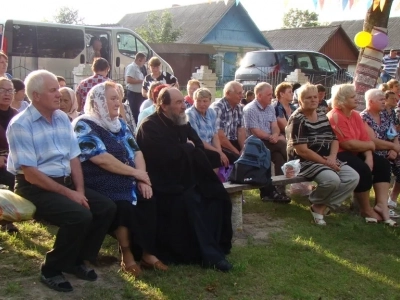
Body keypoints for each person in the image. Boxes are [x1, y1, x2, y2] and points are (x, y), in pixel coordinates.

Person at [6, 70, 117, 292]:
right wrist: (70, 195)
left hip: (64, 181)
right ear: (36, 96)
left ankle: (76, 260)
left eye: (58, 89)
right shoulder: (21, 124)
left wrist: (80, 190)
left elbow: (74, 157)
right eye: (53, 90)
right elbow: (31, 174)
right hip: (34, 186)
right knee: (79, 216)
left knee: (106, 208)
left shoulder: (62, 118)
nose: (59, 94)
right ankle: (51, 268)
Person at [73, 81, 167, 277]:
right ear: (98, 101)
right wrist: (136, 174)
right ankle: (127, 255)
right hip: (100, 180)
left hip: (129, 178)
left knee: (149, 199)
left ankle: (148, 254)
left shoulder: (120, 124)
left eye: (119, 98)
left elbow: (136, 151)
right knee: (123, 204)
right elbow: (101, 159)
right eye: (113, 99)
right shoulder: (84, 124)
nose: (119, 103)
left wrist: (142, 178)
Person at [136, 86, 233, 272]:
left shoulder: (182, 121)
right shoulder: (150, 127)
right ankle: (209, 256)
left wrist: (184, 148)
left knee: (217, 194)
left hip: (186, 176)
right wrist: (185, 148)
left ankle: (218, 245)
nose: (183, 106)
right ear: (164, 106)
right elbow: (164, 157)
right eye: (178, 103)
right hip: (163, 183)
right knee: (191, 202)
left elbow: (196, 145)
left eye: (183, 101)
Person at [286, 84, 359, 225]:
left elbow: (334, 140)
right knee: (332, 180)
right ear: (300, 101)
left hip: (327, 159)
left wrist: (332, 157)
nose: (313, 100)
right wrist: (326, 162)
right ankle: (317, 201)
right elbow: (302, 151)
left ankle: (320, 206)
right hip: (304, 162)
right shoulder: (297, 119)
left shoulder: (321, 114)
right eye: (308, 97)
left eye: (315, 97)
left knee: (352, 177)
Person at [327, 84, 394, 225]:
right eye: (352, 97)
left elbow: (366, 139)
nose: (356, 99)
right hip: (340, 153)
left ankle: (382, 204)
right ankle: (365, 209)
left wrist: (369, 157)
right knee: (362, 169)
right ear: (342, 100)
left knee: (382, 164)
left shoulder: (356, 115)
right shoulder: (335, 116)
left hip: (357, 151)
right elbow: (347, 144)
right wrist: (369, 146)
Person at [243, 82, 290, 203]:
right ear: (259, 95)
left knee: (279, 157)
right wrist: (272, 137)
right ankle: (296, 163)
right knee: (282, 144)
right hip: (255, 143)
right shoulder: (250, 109)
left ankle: (280, 191)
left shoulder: (270, 107)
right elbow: (255, 131)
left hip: (270, 141)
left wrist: (274, 135)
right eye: (269, 94)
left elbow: (275, 126)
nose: (272, 97)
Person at [360, 89, 400, 221]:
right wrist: (393, 147)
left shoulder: (385, 116)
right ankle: (382, 205)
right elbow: (372, 141)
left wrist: (394, 148)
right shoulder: (364, 117)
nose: (384, 102)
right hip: (372, 152)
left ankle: (389, 201)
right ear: (370, 102)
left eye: (384, 99)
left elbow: (394, 134)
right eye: (381, 100)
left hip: (389, 151)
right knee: (383, 164)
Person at [185, 88, 229, 170]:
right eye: (198, 101)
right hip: (197, 147)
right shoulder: (190, 114)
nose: (202, 104)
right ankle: (213, 181)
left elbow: (215, 135)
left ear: (210, 101)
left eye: (205, 101)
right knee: (215, 157)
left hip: (211, 146)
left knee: (231, 157)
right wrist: (218, 152)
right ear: (194, 101)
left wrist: (220, 152)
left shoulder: (211, 112)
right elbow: (197, 139)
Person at [0, 77, 19, 234]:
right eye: (2, 90)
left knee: (16, 178)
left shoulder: (17, 115)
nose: (6, 94)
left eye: (10, 90)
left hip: (12, 161)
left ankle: (8, 220)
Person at [211, 81, 246, 164]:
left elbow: (241, 131)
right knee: (240, 161)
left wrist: (243, 149)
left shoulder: (239, 107)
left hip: (234, 141)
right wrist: (237, 152)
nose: (242, 96)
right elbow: (220, 136)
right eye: (239, 93)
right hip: (220, 144)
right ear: (228, 93)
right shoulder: (218, 107)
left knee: (253, 156)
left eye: (242, 93)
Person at [125, 52, 147, 123]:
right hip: (133, 94)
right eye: (144, 61)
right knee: (135, 112)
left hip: (139, 94)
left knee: (139, 111)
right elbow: (128, 79)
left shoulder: (138, 68)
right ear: (139, 60)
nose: (144, 63)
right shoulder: (132, 67)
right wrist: (141, 81)